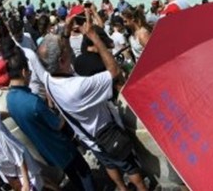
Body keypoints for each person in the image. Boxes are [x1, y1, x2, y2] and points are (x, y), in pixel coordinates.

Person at [39, 21, 148, 191]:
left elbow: (62, 54)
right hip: (107, 133)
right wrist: (95, 37)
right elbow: (114, 71)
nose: (68, 47)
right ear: (61, 60)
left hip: (88, 137)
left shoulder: (48, 77)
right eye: (65, 47)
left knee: (109, 165)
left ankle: (122, 188)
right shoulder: (77, 87)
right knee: (129, 166)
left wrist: (66, 34)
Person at [6, 46, 96, 190]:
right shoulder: (33, 102)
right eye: (29, 72)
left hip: (46, 151)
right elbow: (58, 124)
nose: (30, 75)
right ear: (24, 72)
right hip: (61, 146)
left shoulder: (9, 101)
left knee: (73, 176)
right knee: (84, 172)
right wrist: (65, 108)